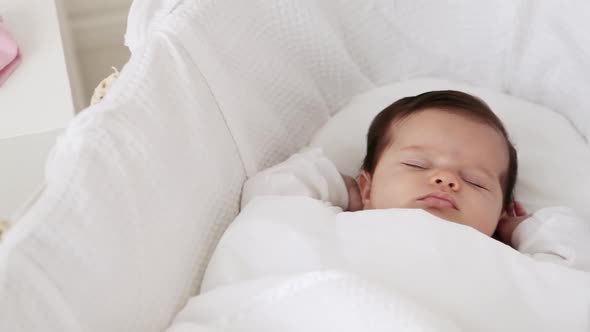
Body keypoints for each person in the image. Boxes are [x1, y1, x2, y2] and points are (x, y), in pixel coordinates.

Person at [242, 90, 590, 271]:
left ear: (499, 217)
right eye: (416, 164)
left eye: (476, 181)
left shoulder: (505, 261)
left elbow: (572, 270)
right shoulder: (339, 224)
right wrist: (350, 194)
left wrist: (521, 231)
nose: (446, 178)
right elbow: (270, 196)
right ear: (366, 186)